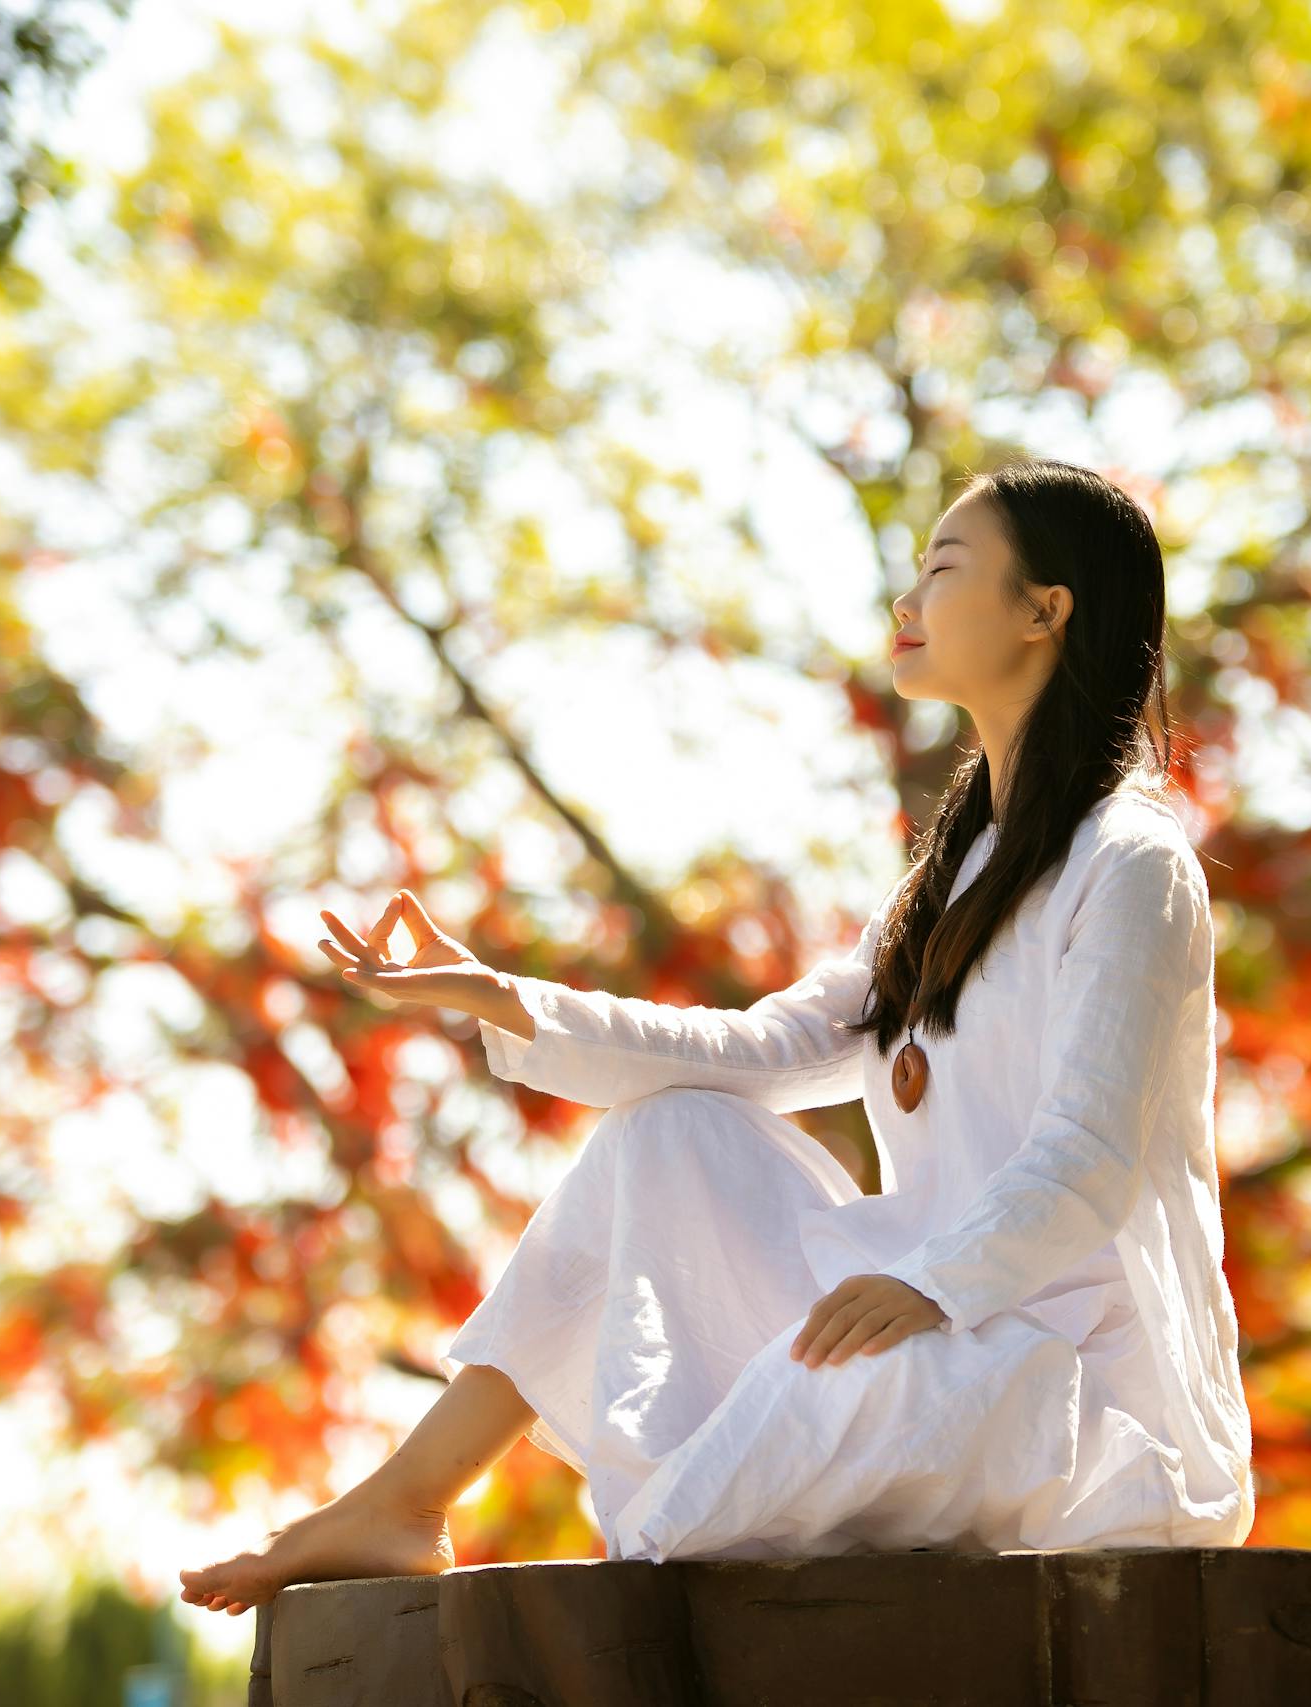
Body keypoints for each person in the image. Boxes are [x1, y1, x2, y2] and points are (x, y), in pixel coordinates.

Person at [179, 458, 1253, 1614]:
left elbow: (1083, 1160)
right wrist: (499, 994)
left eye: (941, 570)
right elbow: (763, 1052)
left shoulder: (1133, 865)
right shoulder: (951, 882)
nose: (905, 605)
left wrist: (933, 1286)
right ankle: (410, 1499)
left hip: (1080, 1400)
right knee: (668, 1139)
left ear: (1045, 611)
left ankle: (687, 1522)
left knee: (816, 1406)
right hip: (929, 1328)